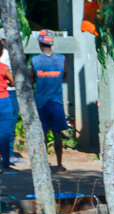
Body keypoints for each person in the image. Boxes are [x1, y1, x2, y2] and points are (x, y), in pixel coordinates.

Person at [30, 29, 67, 173]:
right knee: (57, 134)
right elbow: (65, 74)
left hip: (41, 103)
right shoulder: (62, 59)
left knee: (43, 135)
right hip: (56, 102)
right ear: (52, 43)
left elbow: (31, 78)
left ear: (40, 43)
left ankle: (43, 165)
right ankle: (59, 165)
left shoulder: (35, 60)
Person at [0, 39, 17, 168]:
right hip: (4, 100)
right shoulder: (4, 67)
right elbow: (13, 82)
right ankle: (6, 162)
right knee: (5, 132)